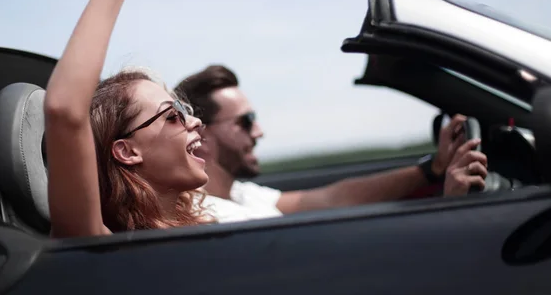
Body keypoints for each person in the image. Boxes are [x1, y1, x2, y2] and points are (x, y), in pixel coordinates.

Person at [44, 0, 214, 237]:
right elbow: (64, 109)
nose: (194, 121)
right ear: (126, 151)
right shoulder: (101, 246)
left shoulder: (203, 220)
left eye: (186, 111)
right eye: (172, 115)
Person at [174, 65, 489, 222]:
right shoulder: (209, 217)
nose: (258, 132)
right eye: (245, 121)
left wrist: (432, 170)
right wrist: (452, 207)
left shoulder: (239, 194)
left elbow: (332, 198)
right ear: (200, 135)